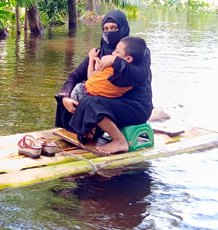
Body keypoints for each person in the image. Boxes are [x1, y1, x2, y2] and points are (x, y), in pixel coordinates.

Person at [55, 10, 153, 156]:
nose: (109, 32)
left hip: (134, 106)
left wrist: (115, 61)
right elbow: (74, 76)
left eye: (114, 28)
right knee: (69, 100)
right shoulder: (99, 53)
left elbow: (141, 76)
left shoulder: (139, 52)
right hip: (108, 104)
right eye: (106, 29)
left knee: (90, 102)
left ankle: (120, 141)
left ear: (123, 28)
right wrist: (65, 97)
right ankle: (81, 133)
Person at [70, 36, 148, 103]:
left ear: (128, 58)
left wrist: (92, 59)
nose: (113, 53)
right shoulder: (133, 77)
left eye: (117, 52)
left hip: (83, 92)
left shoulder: (111, 66)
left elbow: (90, 76)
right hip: (87, 93)